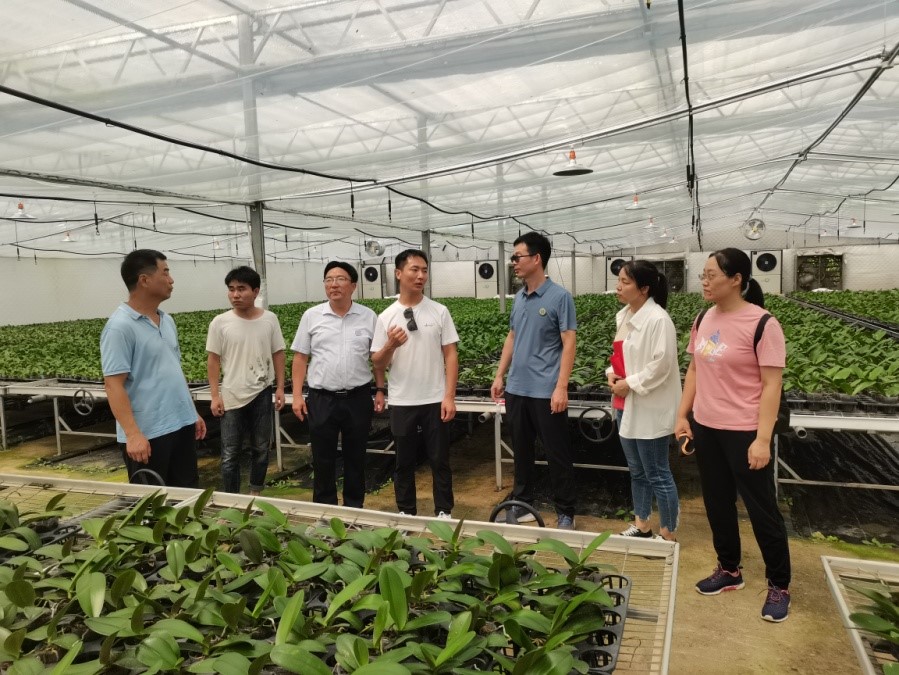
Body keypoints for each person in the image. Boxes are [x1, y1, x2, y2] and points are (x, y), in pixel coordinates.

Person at [674, 247, 792, 623]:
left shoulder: (763, 324)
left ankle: (779, 585)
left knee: (762, 510)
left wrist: (762, 439)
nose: (704, 282)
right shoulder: (704, 318)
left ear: (736, 279)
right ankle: (729, 569)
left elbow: (772, 385)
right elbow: (695, 369)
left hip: (744, 431)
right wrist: (683, 415)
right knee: (717, 503)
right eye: (703, 275)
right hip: (707, 426)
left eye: (711, 275)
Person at [490, 232, 578, 530]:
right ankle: (523, 504)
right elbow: (512, 336)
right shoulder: (519, 298)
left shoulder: (560, 297)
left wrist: (561, 386)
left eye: (518, 257)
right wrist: (500, 374)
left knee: (557, 453)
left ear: (536, 258)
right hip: (517, 389)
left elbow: (569, 342)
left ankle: (566, 511)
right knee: (522, 452)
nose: (513, 262)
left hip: (546, 391)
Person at [101, 249, 206, 487]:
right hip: (148, 434)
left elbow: (173, 370)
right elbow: (113, 385)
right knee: (153, 503)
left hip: (181, 425)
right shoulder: (120, 327)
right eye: (165, 273)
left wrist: (191, 413)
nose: (171, 280)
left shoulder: (166, 320)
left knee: (186, 497)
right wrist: (133, 434)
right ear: (144, 280)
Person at [371, 250, 458, 518]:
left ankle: (444, 511)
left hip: (435, 398)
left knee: (440, 459)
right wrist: (391, 344)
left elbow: (451, 354)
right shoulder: (386, 316)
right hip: (403, 400)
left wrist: (449, 396)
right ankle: (406, 511)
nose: (421, 276)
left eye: (424, 270)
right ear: (399, 274)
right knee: (404, 460)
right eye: (414, 270)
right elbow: (377, 362)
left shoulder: (439, 311)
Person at [291, 261, 385, 508]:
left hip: (358, 397)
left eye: (340, 279)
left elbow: (376, 359)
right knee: (322, 458)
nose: (333, 284)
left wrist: (380, 389)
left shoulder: (368, 316)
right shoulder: (312, 316)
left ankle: (354, 508)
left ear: (353, 285)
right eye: (329, 279)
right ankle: (325, 510)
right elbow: (300, 358)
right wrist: (297, 395)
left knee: (356, 457)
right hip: (322, 398)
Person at [606, 260, 681, 542]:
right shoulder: (625, 316)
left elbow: (661, 365)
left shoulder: (658, 320)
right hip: (625, 404)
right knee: (637, 471)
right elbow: (621, 356)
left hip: (649, 407)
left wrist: (630, 383)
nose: (618, 286)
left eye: (625, 282)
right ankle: (642, 525)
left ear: (644, 288)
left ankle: (668, 533)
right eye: (619, 280)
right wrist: (612, 375)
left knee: (657, 473)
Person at [206, 266, 286, 495]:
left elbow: (278, 353)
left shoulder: (269, 319)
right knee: (230, 452)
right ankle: (231, 498)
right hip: (231, 394)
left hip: (262, 390)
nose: (235, 295)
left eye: (241, 289)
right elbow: (213, 360)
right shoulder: (220, 322)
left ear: (255, 291)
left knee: (261, 447)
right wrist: (215, 396)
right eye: (231, 289)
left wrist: (280, 388)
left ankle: (255, 493)